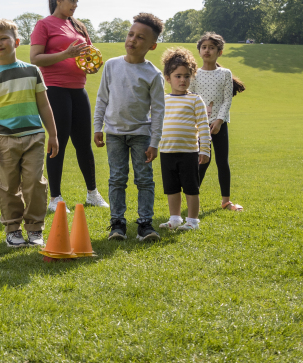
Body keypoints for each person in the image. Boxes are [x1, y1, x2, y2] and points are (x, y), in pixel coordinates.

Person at [0, 19, 60, 248]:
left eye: (3, 38)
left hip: (34, 137)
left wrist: (52, 134)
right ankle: (12, 229)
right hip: (4, 140)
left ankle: (35, 229)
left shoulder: (32, 71)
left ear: (16, 41)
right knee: (8, 186)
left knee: (35, 182)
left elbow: (44, 105)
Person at [29, 0, 107, 215]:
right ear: (59, 0)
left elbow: (89, 53)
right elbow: (35, 58)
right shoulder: (44, 25)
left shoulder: (78, 26)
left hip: (78, 89)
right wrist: (66, 54)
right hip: (54, 89)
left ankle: (92, 193)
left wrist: (91, 66)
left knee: (84, 143)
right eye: (72, 0)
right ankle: (55, 198)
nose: (75, 5)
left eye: (77, 1)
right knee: (58, 143)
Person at [92, 13, 166, 242]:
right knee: (117, 178)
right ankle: (117, 224)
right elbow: (102, 98)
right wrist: (97, 127)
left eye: (140, 38)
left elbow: (158, 111)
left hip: (141, 136)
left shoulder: (153, 74)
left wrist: (154, 143)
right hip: (114, 134)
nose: (132, 40)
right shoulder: (112, 66)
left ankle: (145, 224)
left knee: (144, 179)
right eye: (130, 34)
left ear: (152, 45)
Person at [156, 48, 211, 232]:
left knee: (191, 188)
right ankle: (175, 218)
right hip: (167, 152)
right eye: (178, 76)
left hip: (189, 152)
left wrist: (205, 150)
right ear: (168, 77)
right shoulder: (161, 100)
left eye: (187, 76)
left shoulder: (195, 100)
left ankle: (193, 221)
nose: (182, 80)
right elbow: (154, 125)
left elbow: (203, 126)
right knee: (171, 188)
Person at [191, 32, 244, 211]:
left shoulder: (225, 74)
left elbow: (227, 99)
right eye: (204, 47)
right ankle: (192, 197)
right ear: (199, 51)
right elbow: (190, 98)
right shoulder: (194, 74)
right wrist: (200, 123)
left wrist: (219, 121)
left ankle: (226, 201)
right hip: (199, 125)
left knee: (222, 161)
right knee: (202, 160)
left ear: (219, 52)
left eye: (211, 48)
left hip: (220, 124)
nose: (207, 51)